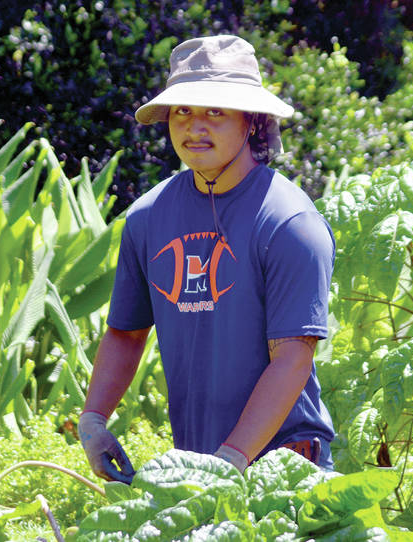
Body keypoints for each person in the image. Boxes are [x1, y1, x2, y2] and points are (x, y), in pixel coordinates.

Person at [78, 34, 336, 483]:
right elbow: (125, 333)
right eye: (183, 110)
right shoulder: (148, 218)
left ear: (251, 121)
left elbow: (292, 359)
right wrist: (93, 420)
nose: (195, 126)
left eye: (215, 110)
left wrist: (232, 459)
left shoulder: (289, 222)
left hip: (287, 471)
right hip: (199, 467)